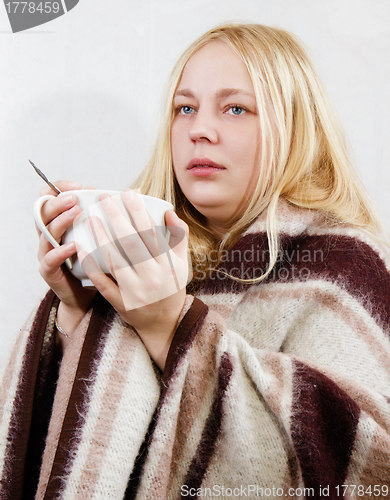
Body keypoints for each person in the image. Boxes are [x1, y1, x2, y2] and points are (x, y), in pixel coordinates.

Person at [1, 22, 390, 500]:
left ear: (296, 126)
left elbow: (361, 465)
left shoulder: (345, 264)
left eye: (235, 108)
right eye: (185, 108)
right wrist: (79, 307)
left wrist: (169, 323)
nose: (199, 130)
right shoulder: (146, 253)